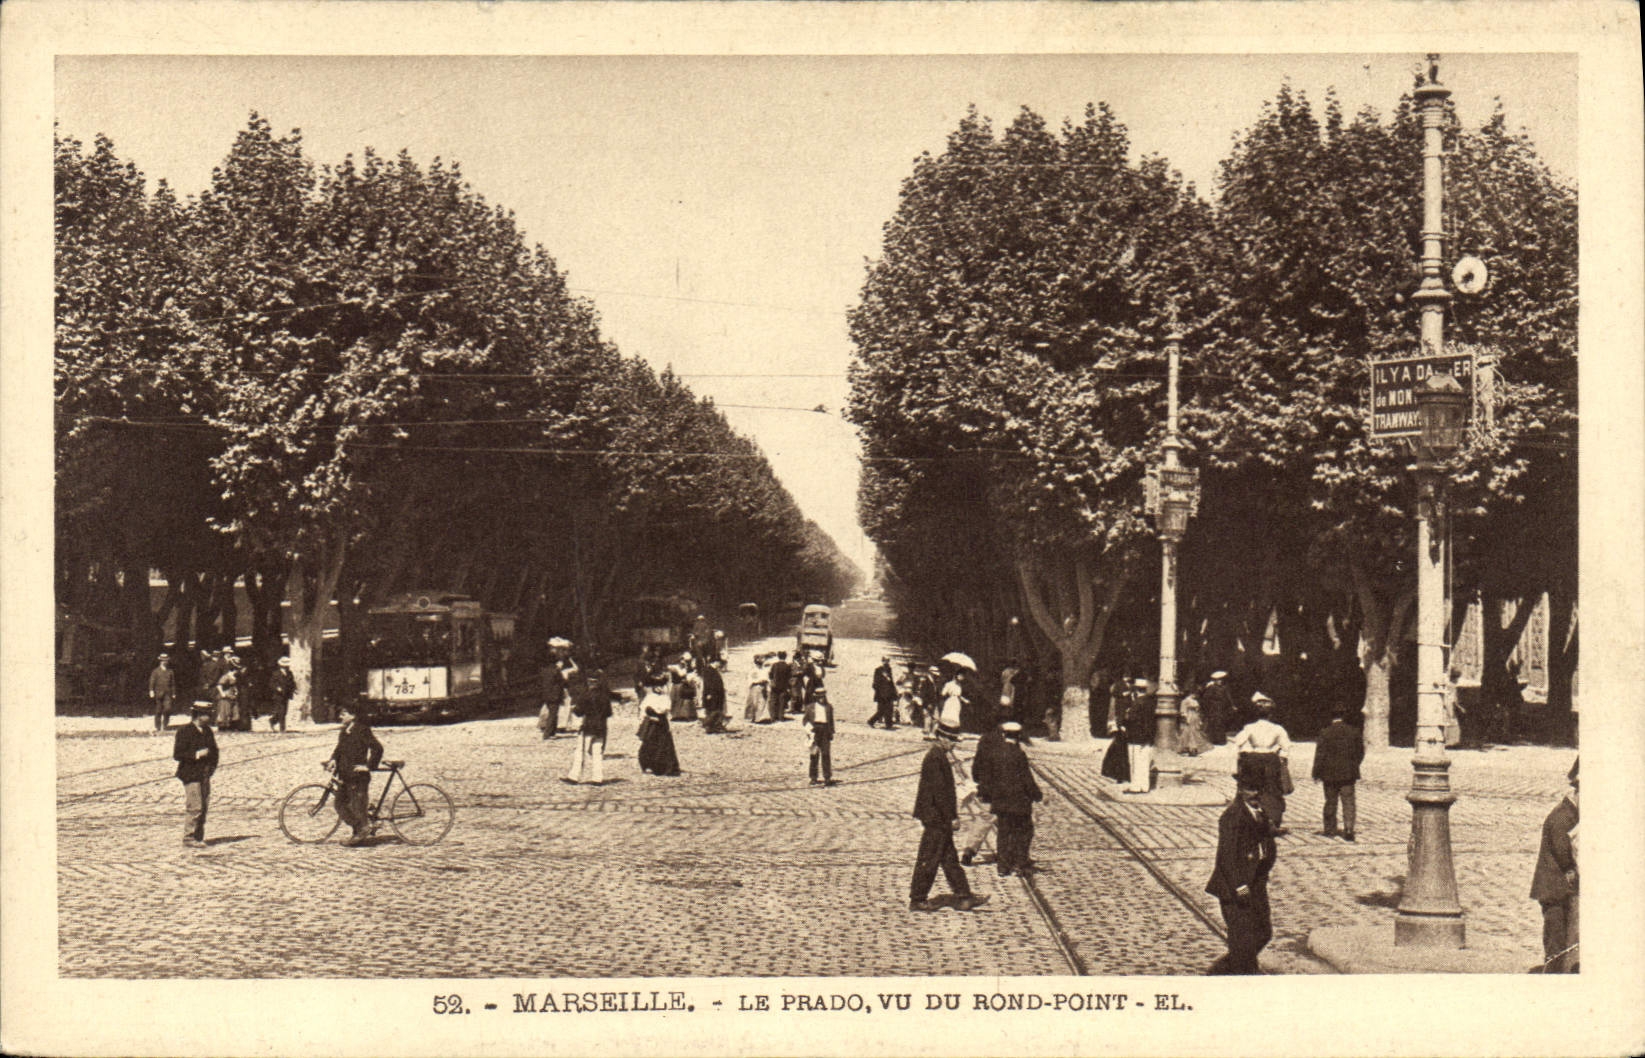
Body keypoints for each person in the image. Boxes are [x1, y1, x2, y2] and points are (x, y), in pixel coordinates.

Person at [1206, 756, 1278, 974]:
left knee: (1264, 933)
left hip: (1256, 883)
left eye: (1258, 789)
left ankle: (1226, 968)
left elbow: (1262, 840)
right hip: (1236, 888)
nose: (1255, 794)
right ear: (1239, 789)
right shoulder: (1232, 817)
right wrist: (1239, 885)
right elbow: (1227, 857)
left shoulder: (1258, 812)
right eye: (1249, 789)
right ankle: (1237, 974)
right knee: (1243, 940)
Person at [908, 726, 989, 913]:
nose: (953, 744)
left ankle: (964, 896)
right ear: (940, 737)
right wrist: (952, 817)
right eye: (951, 740)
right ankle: (917, 899)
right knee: (929, 858)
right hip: (936, 817)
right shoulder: (935, 758)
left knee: (949, 859)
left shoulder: (938, 756)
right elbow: (940, 794)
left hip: (937, 815)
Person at [1530, 758, 1579, 972]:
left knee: (1561, 939)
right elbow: (1563, 853)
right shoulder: (1563, 817)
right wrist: (1572, 869)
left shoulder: (1568, 814)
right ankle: (1551, 978)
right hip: (1553, 890)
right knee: (1555, 941)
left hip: (1557, 890)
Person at [1231, 692, 1292, 832]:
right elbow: (1286, 747)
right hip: (1271, 759)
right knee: (1271, 790)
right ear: (1270, 714)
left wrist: (1245, 753)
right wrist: (1281, 757)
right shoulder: (1278, 729)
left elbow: (1238, 742)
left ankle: (1252, 819)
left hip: (1254, 759)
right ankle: (1272, 820)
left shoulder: (1250, 728)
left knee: (1253, 788)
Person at [327, 700, 384, 846]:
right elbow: (339, 748)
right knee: (340, 803)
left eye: (343, 713)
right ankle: (360, 827)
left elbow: (378, 748)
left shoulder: (362, 729)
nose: (340, 716)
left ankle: (361, 830)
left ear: (352, 715)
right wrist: (333, 759)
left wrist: (368, 766)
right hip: (345, 775)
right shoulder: (345, 730)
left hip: (357, 776)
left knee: (351, 805)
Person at [990, 721, 1042, 876]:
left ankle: (1002, 867)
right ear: (1018, 736)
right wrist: (1037, 794)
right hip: (1019, 803)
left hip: (1001, 802)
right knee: (1024, 831)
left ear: (1004, 735)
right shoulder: (1019, 754)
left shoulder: (996, 752)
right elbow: (1026, 779)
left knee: (1003, 833)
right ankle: (1020, 863)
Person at [958, 718, 1009, 866]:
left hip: (987, 787)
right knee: (1008, 819)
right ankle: (1012, 854)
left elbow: (977, 764)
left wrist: (979, 781)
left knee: (984, 818)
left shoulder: (985, 739)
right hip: (1002, 788)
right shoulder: (1005, 741)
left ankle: (969, 849)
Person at [1311, 706, 1363, 840]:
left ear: (1331, 716)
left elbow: (1320, 755)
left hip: (1329, 774)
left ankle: (1330, 829)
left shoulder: (1325, 732)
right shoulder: (1354, 731)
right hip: (1348, 773)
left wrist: (1316, 772)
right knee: (1349, 801)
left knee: (1330, 801)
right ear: (1344, 715)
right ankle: (1349, 828)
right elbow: (1360, 752)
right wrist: (1354, 764)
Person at [172, 701, 219, 847]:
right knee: (195, 806)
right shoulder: (184, 731)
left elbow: (215, 751)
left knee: (204, 806)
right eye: (207, 714)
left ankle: (198, 837)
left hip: (204, 774)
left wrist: (211, 768)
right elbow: (178, 754)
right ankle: (189, 837)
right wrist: (197, 754)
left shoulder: (207, 731)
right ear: (198, 716)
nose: (210, 717)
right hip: (190, 774)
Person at [565, 664, 618, 785]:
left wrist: (574, 708)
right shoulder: (605, 696)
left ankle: (574, 776)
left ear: (589, 682)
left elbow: (578, 712)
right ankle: (597, 778)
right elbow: (608, 713)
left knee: (580, 752)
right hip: (601, 728)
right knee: (597, 752)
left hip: (588, 727)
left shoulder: (586, 695)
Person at [636, 673, 681, 776]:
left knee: (664, 744)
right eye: (657, 687)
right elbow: (643, 710)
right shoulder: (649, 697)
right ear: (653, 687)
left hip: (661, 723)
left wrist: (660, 713)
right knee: (650, 744)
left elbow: (666, 709)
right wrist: (647, 717)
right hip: (651, 724)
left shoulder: (665, 698)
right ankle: (648, 765)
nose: (659, 688)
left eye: (661, 686)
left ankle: (664, 766)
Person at [1124, 678, 1155, 794]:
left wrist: (1125, 720)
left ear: (1136, 689)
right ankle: (1144, 786)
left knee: (1135, 761)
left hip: (1135, 736)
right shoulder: (1151, 702)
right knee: (1144, 761)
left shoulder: (1136, 703)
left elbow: (1130, 719)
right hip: (1147, 736)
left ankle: (1136, 786)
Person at [804, 687, 837, 786]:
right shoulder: (810, 707)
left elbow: (831, 721)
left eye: (823, 696)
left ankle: (827, 777)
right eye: (819, 697)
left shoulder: (828, 707)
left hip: (825, 730)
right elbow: (805, 721)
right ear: (816, 697)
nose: (821, 698)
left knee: (826, 754)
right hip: (815, 730)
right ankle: (813, 777)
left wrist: (831, 732)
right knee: (814, 755)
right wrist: (809, 731)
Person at [148, 653, 177, 734]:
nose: (165, 662)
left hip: (168, 693)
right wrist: (151, 690)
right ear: (160, 661)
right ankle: (157, 726)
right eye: (163, 660)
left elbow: (173, 683)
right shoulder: (155, 671)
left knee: (167, 709)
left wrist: (174, 693)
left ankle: (165, 724)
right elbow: (152, 681)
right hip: (158, 693)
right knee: (158, 710)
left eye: (166, 660)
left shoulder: (170, 671)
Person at [1201, 671, 1233, 745]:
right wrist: (1210, 707)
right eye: (1218, 680)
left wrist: (1230, 705)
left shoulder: (1223, 688)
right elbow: (1206, 699)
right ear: (1215, 681)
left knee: (1221, 723)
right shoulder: (1211, 688)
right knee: (1214, 723)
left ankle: (1221, 740)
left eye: (1221, 680)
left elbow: (1228, 698)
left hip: (1222, 708)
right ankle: (1214, 740)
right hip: (1214, 708)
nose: (1220, 681)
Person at [1178, 690, 1211, 756]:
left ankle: (1194, 749)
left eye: (1195, 694)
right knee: (1189, 732)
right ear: (1190, 693)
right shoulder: (1185, 701)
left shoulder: (1195, 701)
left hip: (1195, 717)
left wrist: (1199, 719)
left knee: (1195, 732)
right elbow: (1183, 710)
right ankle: (1190, 749)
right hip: (1189, 716)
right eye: (1193, 694)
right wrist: (1185, 717)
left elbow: (1197, 710)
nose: (1195, 695)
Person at [869, 656, 898, 729]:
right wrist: (879, 691)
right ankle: (871, 721)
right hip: (881, 694)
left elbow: (891, 682)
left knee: (889, 709)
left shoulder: (889, 669)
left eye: (888, 661)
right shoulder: (878, 670)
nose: (886, 662)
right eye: (885, 661)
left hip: (888, 693)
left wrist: (894, 692)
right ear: (882, 661)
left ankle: (889, 725)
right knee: (881, 710)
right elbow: (875, 683)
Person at [269, 656, 297, 733]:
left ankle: (272, 720)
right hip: (278, 695)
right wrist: (277, 688)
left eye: (287, 665)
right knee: (281, 711)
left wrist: (294, 689)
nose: (286, 666)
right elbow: (271, 684)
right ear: (281, 665)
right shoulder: (276, 673)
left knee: (284, 711)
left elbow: (292, 682)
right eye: (284, 665)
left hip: (286, 695)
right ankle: (282, 728)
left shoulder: (289, 673)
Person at [699, 660, 726, 734]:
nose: (720, 665)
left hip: (717, 694)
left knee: (717, 710)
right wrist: (709, 693)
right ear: (715, 662)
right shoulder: (708, 670)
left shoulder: (714, 670)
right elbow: (707, 683)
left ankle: (714, 726)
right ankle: (708, 725)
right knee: (712, 710)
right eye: (719, 663)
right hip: (712, 694)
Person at [939, 669, 967, 733]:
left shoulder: (959, 685)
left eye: (963, 676)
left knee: (954, 717)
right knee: (948, 716)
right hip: (950, 701)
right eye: (961, 676)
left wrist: (964, 700)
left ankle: (951, 732)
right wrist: (948, 692)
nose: (962, 678)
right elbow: (943, 693)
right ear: (956, 675)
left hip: (956, 703)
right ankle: (943, 731)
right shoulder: (949, 684)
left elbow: (958, 695)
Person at [744, 653, 769, 723]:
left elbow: (767, 677)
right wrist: (757, 681)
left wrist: (765, 682)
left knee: (762, 702)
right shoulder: (753, 670)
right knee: (753, 703)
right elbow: (750, 678)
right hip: (755, 686)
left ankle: (758, 717)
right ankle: (751, 717)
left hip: (763, 686)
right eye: (760, 659)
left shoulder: (764, 669)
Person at [768, 651, 792, 717]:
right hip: (784, 686)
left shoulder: (775, 665)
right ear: (785, 657)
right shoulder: (787, 666)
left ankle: (773, 716)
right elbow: (789, 676)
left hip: (775, 685)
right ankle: (781, 716)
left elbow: (770, 675)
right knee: (782, 701)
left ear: (778, 657)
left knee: (773, 701)